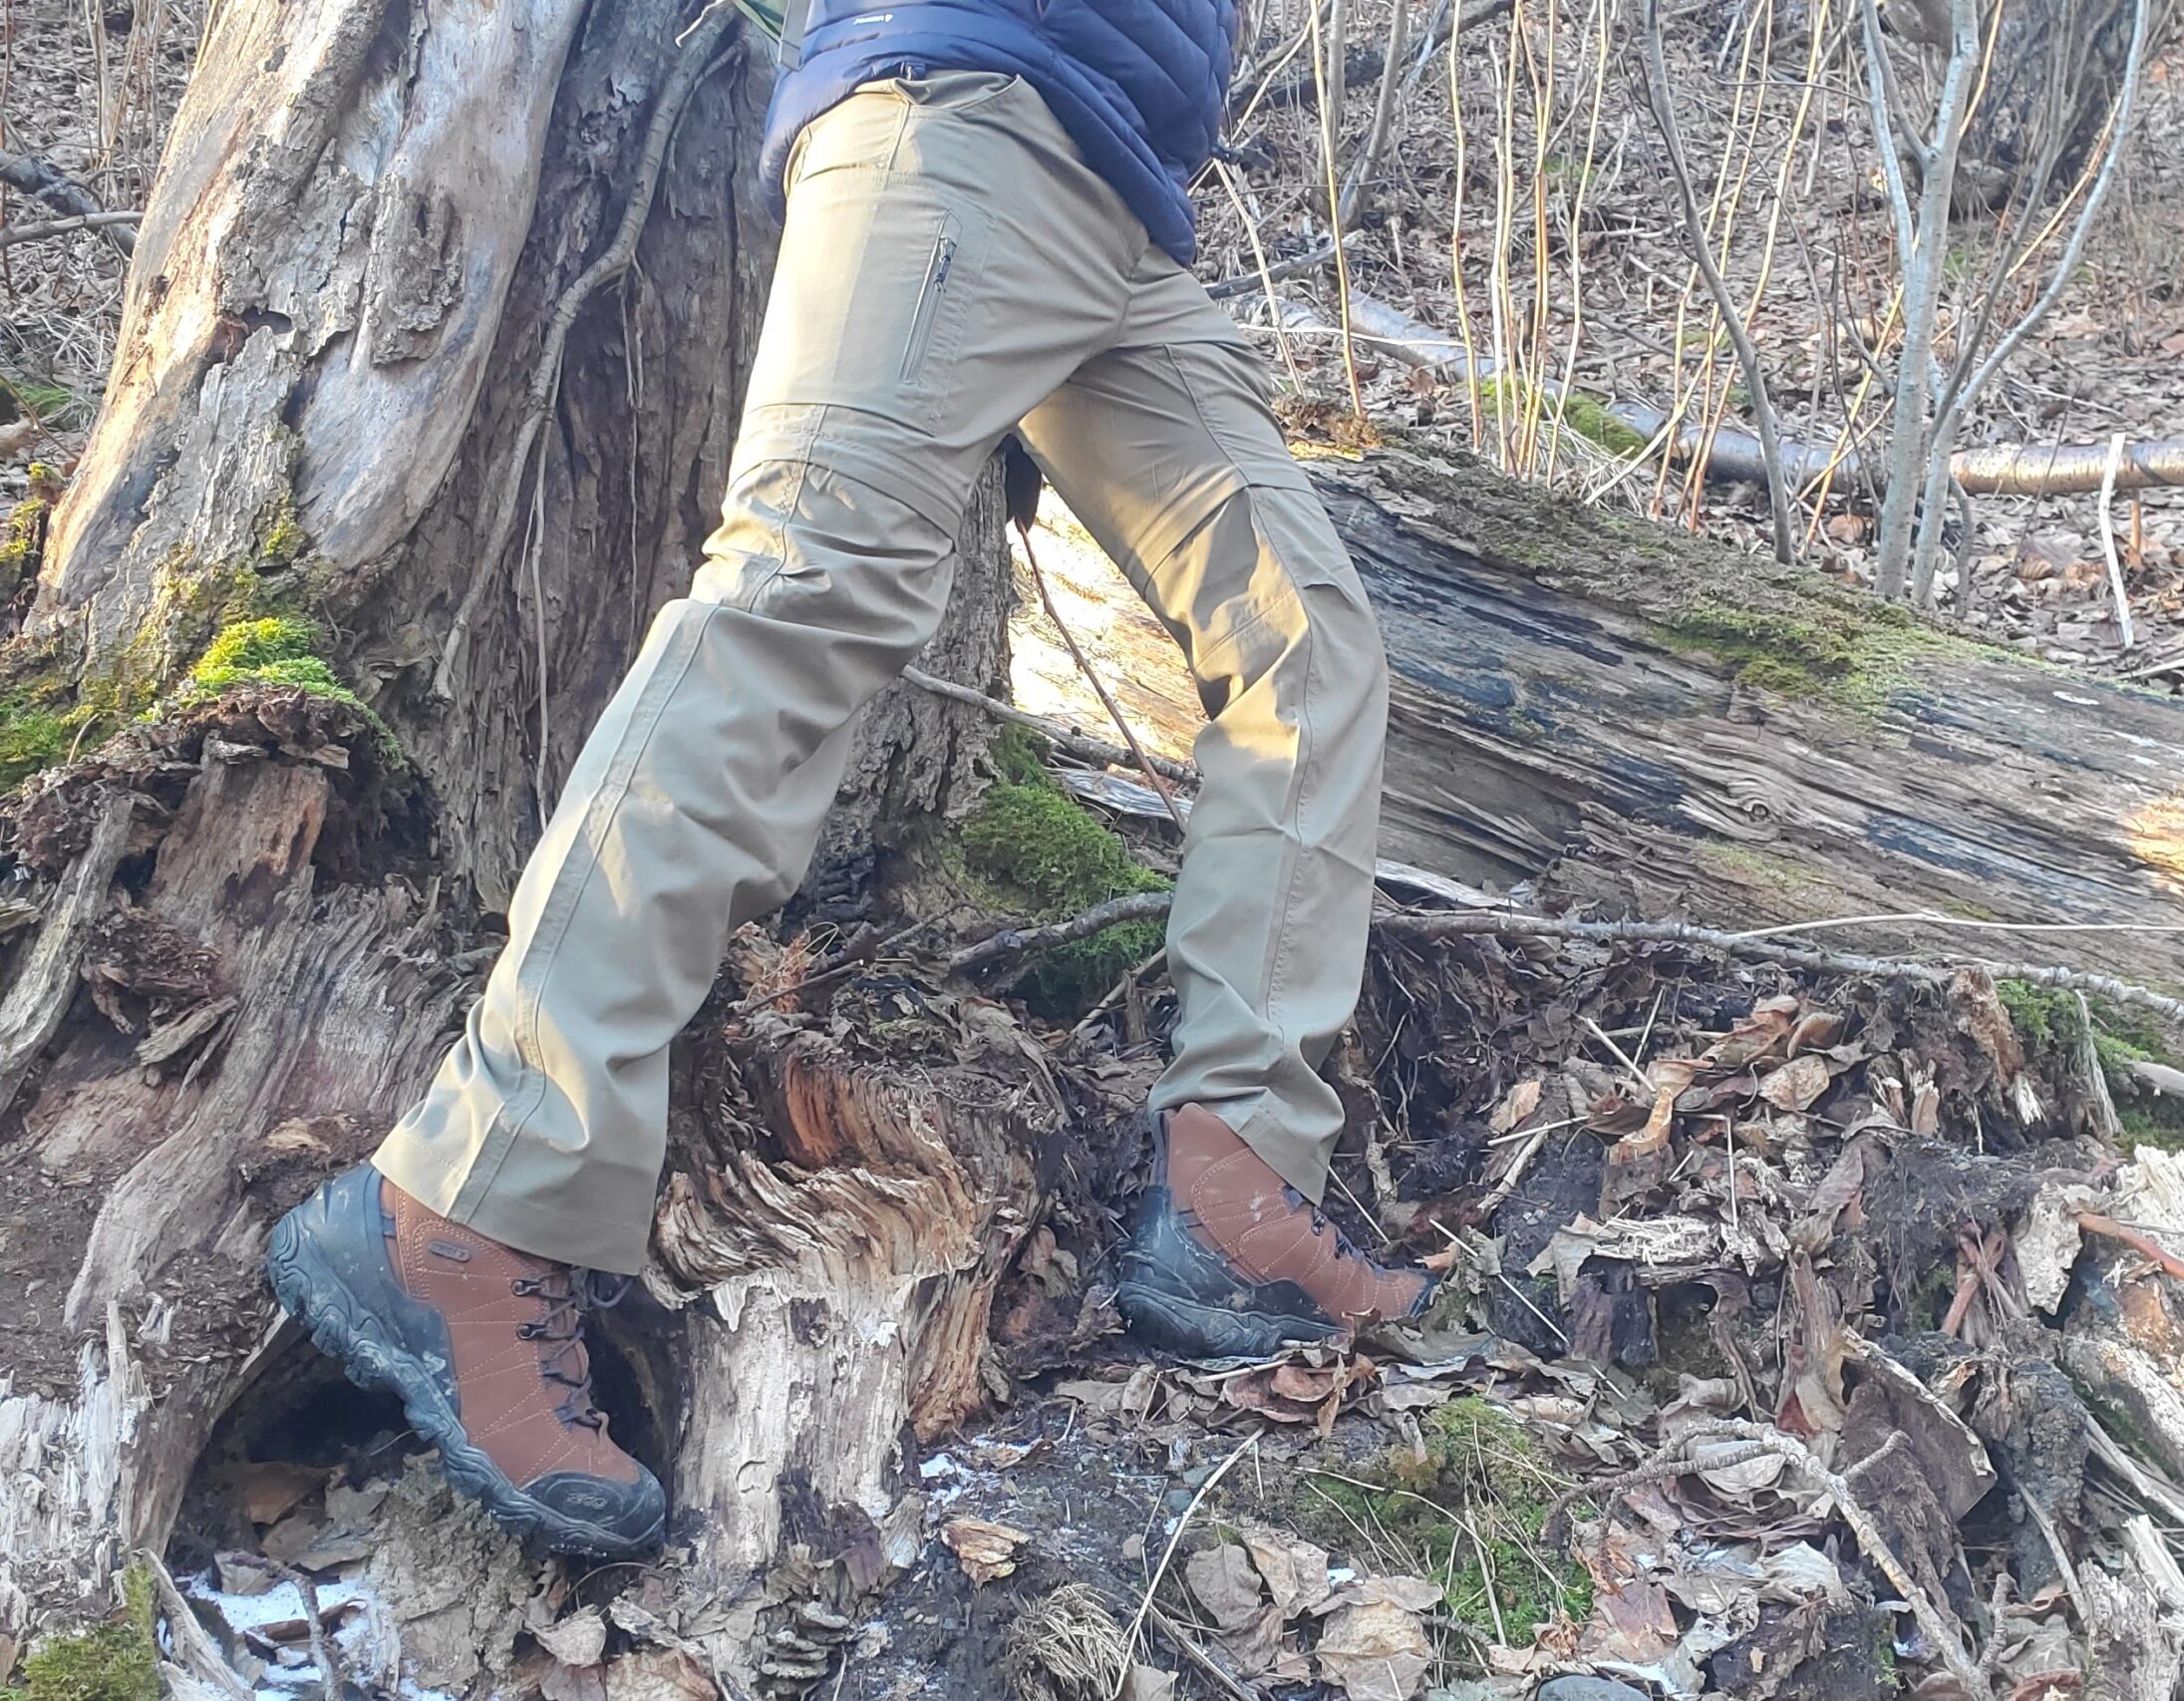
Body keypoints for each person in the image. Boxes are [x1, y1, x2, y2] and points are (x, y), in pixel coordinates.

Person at [260, 0, 1435, 1562]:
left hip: (1117, 191)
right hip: (965, 111)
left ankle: (1236, 1181)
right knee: (803, 591)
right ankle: (474, 1193)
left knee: (1307, 636)